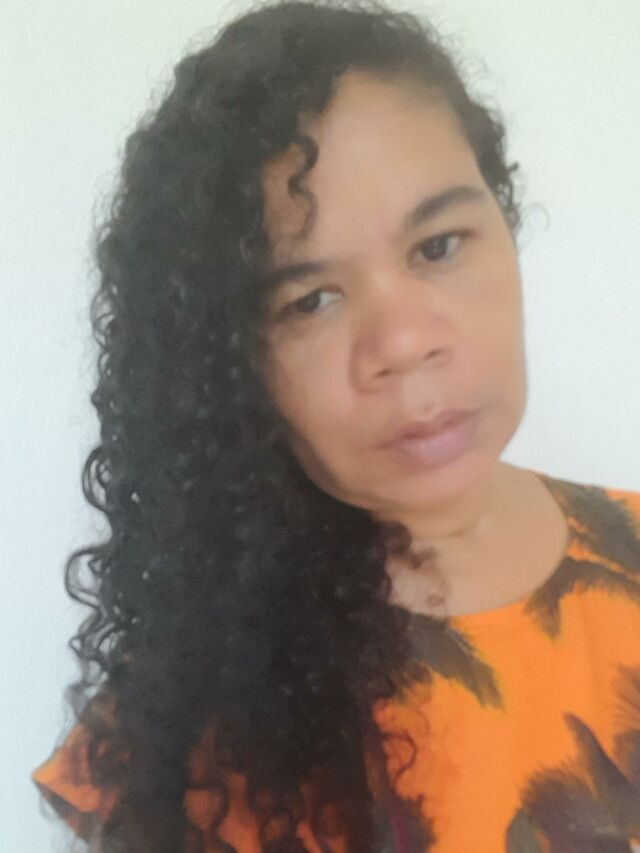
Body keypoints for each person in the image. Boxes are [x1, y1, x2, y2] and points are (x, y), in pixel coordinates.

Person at [31, 0, 640, 850]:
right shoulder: (190, 715)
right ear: (231, 360)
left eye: (439, 245)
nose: (403, 342)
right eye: (311, 299)